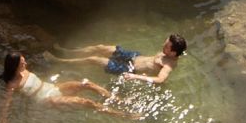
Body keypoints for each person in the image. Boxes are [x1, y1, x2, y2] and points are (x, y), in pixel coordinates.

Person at [0, 52, 134, 123]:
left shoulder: (24, 70)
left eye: (24, 61)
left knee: (87, 84)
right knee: (87, 103)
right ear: (14, 66)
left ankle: (118, 100)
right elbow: (7, 103)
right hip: (46, 99)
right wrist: (2, 122)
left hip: (51, 87)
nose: (25, 64)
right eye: (22, 63)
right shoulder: (12, 84)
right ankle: (122, 115)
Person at [53, 34, 186, 85]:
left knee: (93, 59)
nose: (163, 44)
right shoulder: (167, 53)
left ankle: (59, 61)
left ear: (173, 53)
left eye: (167, 45)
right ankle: (67, 52)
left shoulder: (169, 65)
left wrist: (135, 77)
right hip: (133, 56)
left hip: (129, 69)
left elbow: (160, 79)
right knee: (100, 47)